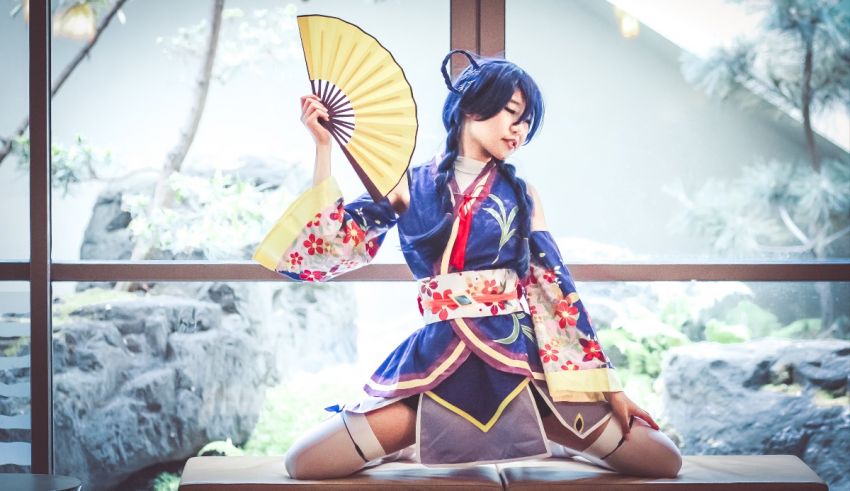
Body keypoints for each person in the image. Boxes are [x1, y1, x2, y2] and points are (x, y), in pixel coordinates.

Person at [253, 49, 682, 480]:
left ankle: (550, 438)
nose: (521, 130)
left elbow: (555, 289)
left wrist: (609, 387)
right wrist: (323, 146)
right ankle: (424, 439)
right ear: (471, 108)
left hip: (518, 362)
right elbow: (330, 242)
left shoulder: (522, 193)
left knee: (661, 458)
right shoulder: (408, 185)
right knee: (304, 461)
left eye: (528, 122)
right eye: (513, 113)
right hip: (435, 362)